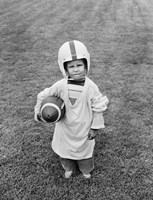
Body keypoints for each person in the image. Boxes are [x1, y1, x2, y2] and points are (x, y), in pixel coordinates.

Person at [34, 40, 109, 179]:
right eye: (71, 66)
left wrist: (95, 127)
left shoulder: (91, 86)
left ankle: (86, 169)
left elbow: (98, 106)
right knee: (65, 149)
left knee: (85, 151)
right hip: (65, 127)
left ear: (86, 64)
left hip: (83, 127)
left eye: (79, 65)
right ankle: (68, 167)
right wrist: (39, 112)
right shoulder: (60, 85)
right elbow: (43, 95)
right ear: (64, 68)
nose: (76, 69)